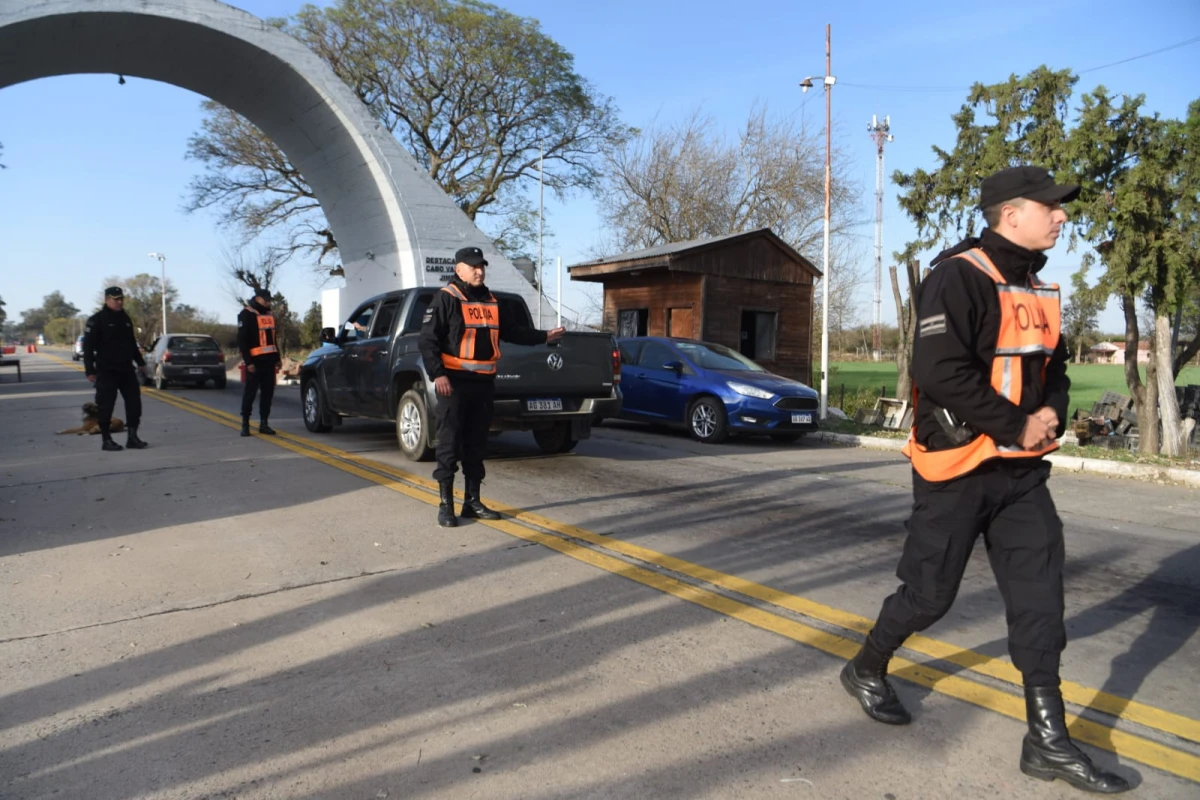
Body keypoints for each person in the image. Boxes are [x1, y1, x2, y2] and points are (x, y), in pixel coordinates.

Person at [840, 166, 1129, 794]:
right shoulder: (959, 276)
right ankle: (867, 666)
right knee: (930, 596)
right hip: (957, 467)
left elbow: (1051, 365)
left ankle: (1046, 741)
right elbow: (939, 371)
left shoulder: (1037, 285)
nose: (1061, 217)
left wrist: (1050, 409)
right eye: (1050, 207)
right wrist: (1013, 424)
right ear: (1010, 212)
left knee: (1039, 598)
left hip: (1021, 474)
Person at [420, 246, 565, 528]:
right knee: (449, 444)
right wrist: (438, 374)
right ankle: (445, 505)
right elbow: (427, 341)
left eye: (482, 266)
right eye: (473, 266)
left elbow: (513, 332)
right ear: (458, 269)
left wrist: (544, 336)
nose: (479, 271)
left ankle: (472, 502)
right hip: (454, 383)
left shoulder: (492, 301)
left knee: (476, 444)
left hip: (483, 384)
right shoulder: (446, 298)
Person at [83, 286, 148, 452]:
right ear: (107, 300)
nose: (119, 302)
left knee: (134, 404)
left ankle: (132, 437)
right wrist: (90, 370)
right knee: (106, 406)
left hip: (126, 369)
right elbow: (88, 348)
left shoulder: (125, 318)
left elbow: (131, 343)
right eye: (116, 299)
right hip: (106, 370)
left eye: (121, 299)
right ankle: (106, 439)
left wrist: (140, 362)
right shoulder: (97, 320)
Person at [237, 287, 281, 437]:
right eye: (266, 300)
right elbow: (242, 341)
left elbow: (273, 339)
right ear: (257, 299)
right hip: (254, 364)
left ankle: (264, 423)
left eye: (269, 300)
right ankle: (245, 424)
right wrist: (248, 362)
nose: (268, 302)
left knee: (267, 394)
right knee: (250, 394)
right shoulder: (246, 315)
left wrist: (278, 358)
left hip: (269, 362)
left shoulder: (269, 315)